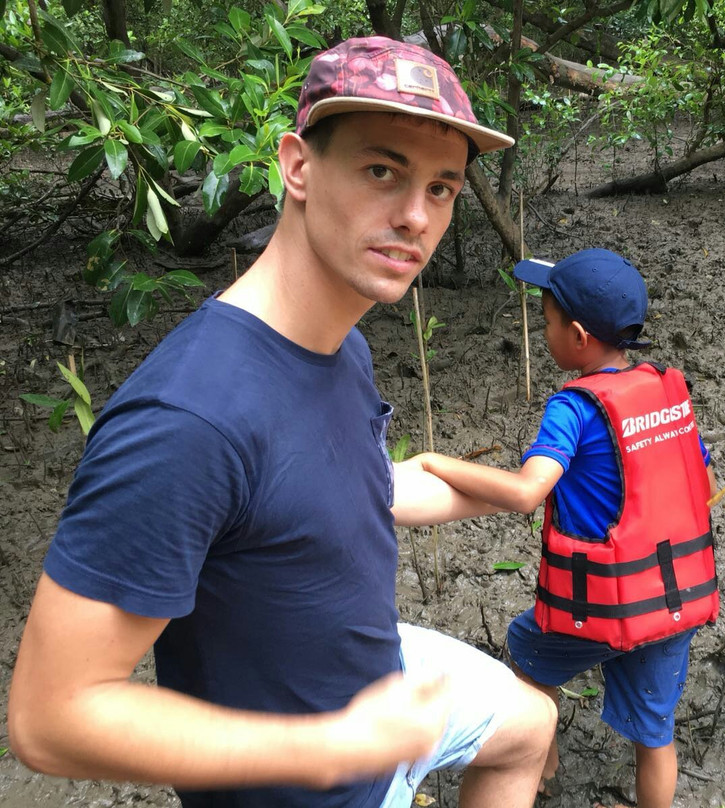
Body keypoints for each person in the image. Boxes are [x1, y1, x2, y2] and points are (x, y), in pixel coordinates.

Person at [7, 36, 556, 808]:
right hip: (317, 779)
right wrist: (332, 746)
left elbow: (328, 489)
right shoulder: (187, 419)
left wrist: (519, 492)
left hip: (381, 687)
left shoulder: (345, 347)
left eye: (441, 188)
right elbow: (50, 717)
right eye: (381, 170)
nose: (414, 216)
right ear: (297, 164)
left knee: (530, 723)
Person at [413, 248, 719, 808]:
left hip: (598, 604)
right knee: (656, 734)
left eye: (547, 321)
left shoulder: (573, 408)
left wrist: (437, 462)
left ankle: (539, 763)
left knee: (526, 651)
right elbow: (700, 477)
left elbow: (528, 491)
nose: (544, 331)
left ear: (578, 336)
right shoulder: (667, 389)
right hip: (673, 597)